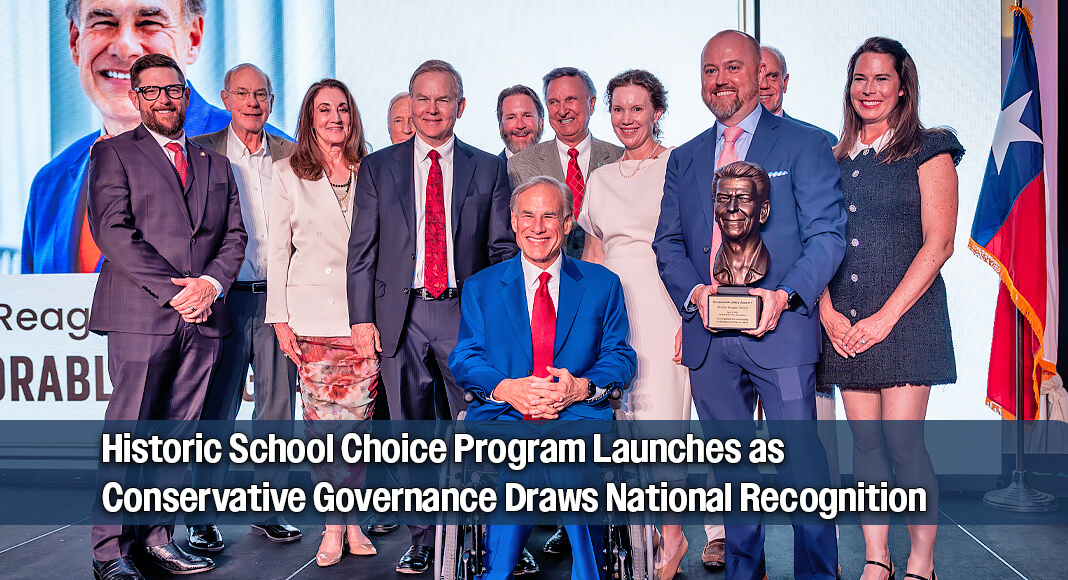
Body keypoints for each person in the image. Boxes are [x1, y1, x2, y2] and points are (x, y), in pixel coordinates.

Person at [653, 30, 846, 580]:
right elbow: (668, 243)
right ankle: (744, 571)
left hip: (781, 334)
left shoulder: (805, 143)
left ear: (759, 73)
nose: (720, 80)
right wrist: (695, 293)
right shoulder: (686, 157)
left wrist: (783, 296)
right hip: (709, 339)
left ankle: (817, 575)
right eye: (710, 70)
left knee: (803, 470)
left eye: (732, 68)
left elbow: (827, 235)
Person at [347, 59, 517, 574]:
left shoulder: (488, 168)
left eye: (443, 99)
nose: (432, 109)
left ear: (460, 107)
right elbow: (362, 250)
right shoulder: (379, 167)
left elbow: (501, 251)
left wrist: (501, 321)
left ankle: (491, 537)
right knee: (411, 435)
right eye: (422, 99)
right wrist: (361, 319)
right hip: (400, 316)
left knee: (483, 428)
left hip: (467, 315)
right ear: (411, 103)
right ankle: (425, 538)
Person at [87, 53, 247, 580]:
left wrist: (210, 285)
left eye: (172, 89)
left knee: (178, 435)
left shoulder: (215, 164)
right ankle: (109, 551)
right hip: (142, 313)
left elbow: (235, 236)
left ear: (185, 94)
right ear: (136, 97)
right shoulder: (113, 153)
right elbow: (113, 231)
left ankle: (158, 539)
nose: (163, 99)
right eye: (151, 90)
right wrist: (175, 292)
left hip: (204, 316)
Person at [817, 37, 962, 580]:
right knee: (866, 443)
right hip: (846, 323)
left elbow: (939, 244)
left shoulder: (930, 148)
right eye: (861, 78)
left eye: (882, 78)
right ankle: (877, 557)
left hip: (906, 320)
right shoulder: (833, 159)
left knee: (903, 443)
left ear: (903, 86)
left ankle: (922, 560)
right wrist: (827, 312)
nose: (869, 89)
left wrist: (884, 319)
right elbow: (817, 242)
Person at [449, 175, 636, 580]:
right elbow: (465, 356)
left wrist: (580, 388)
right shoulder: (481, 287)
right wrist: (506, 388)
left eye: (549, 216)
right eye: (527, 216)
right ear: (513, 221)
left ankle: (575, 573)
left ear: (567, 223)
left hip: (576, 417)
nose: (537, 227)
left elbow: (620, 356)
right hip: (505, 417)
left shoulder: (603, 285)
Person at [22, 0, 283, 274]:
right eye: (103, 22)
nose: (125, 48)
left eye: (149, 22)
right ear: (75, 40)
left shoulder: (273, 160)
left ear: (193, 38)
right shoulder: (49, 184)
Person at [576, 68, 692, 579]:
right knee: (624, 431)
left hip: (667, 307)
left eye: (637, 108)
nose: (627, 119)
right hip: (614, 312)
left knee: (664, 428)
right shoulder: (600, 179)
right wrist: (587, 328)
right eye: (618, 109)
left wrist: (693, 317)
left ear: (657, 112)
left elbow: (700, 248)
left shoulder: (680, 165)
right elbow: (594, 256)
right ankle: (641, 539)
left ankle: (673, 537)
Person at [264, 78, 378, 567]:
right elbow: (277, 251)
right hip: (311, 319)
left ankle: (353, 522)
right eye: (324, 109)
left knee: (358, 432)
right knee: (322, 433)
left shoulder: (373, 169)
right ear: (309, 118)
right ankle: (334, 527)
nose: (335, 117)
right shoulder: (286, 172)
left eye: (342, 108)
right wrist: (278, 319)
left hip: (363, 321)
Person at [186, 63, 300, 552]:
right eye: (243, 93)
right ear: (225, 98)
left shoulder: (293, 155)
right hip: (223, 300)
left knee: (276, 412)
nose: (253, 102)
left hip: (279, 301)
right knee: (215, 412)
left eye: (261, 94)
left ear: (271, 101)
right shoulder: (200, 152)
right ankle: (200, 517)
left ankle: (269, 510)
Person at [508, 67, 622, 262]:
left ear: (592, 103)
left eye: (570, 99)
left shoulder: (619, 158)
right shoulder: (520, 165)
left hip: (609, 271)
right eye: (553, 102)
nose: (562, 110)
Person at [759, 44, 838, 146]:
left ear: (785, 83)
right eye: (757, 77)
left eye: (773, 76)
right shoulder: (736, 137)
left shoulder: (821, 141)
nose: (764, 85)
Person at [497, 84, 545, 160]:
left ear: (541, 123)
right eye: (511, 117)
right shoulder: (490, 167)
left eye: (527, 116)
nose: (520, 125)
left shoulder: (559, 165)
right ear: (500, 127)